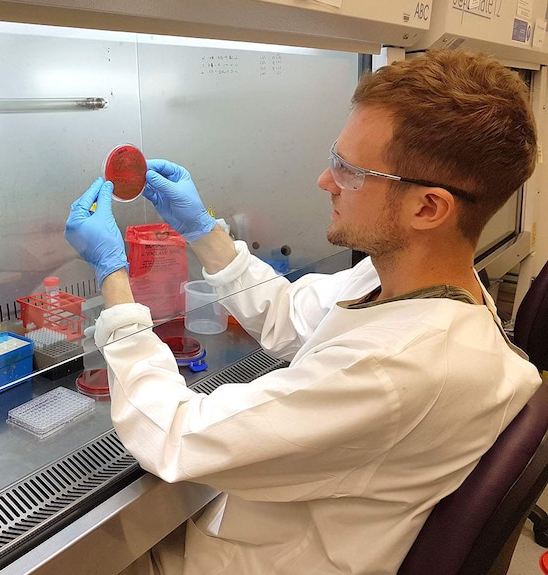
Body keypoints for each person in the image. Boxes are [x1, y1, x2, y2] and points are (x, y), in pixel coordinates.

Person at [64, 49, 544, 574]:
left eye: (351, 170)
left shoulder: (398, 371)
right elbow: (289, 313)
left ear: (427, 208)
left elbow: (175, 437)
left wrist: (112, 274)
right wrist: (203, 230)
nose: (325, 180)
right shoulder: (427, 281)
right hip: (266, 530)